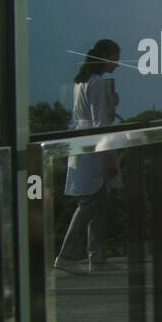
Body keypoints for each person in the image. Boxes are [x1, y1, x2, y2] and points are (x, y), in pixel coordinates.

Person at [56, 39, 122, 276]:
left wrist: (110, 104)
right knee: (90, 203)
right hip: (94, 148)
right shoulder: (98, 84)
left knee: (99, 202)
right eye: (115, 58)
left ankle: (98, 257)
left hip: (83, 144)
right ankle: (67, 255)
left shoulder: (81, 83)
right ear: (105, 58)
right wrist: (108, 159)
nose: (118, 63)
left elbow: (91, 118)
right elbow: (100, 124)